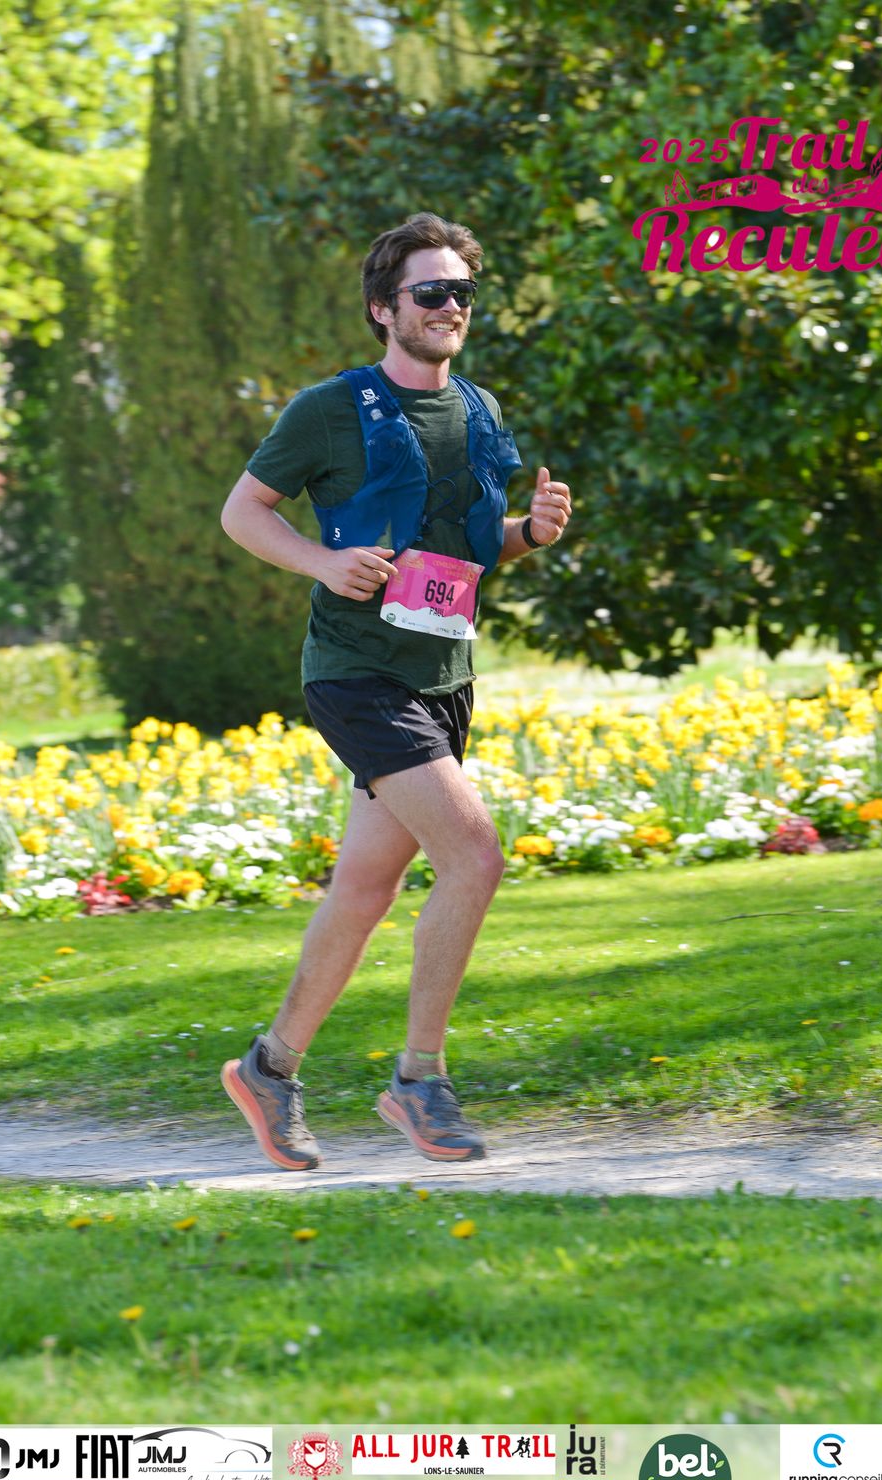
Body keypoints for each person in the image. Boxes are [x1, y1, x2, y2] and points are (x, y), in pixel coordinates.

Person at [219, 211, 571, 1171]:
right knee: (474, 855)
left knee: (365, 889)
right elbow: (244, 511)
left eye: (463, 291)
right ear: (384, 308)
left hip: (442, 675)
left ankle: (269, 1068)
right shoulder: (330, 409)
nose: (451, 306)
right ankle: (420, 1078)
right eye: (431, 291)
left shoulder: (480, 411)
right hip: (357, 672)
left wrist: (531, 533)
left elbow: (473, 550)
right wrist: (320, 563)